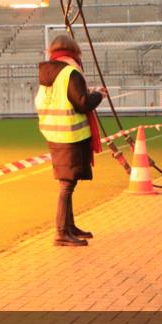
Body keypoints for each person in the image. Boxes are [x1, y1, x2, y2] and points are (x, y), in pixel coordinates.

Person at [35, 34, 106, 247]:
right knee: (67, 185)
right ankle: (61, 232)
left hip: (55, 134)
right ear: (74, 52)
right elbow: (82, 103)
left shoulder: (48, 74)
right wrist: (98, 95)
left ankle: (69, 226)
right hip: (71, 135)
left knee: (68, 183)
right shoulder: (70, 73)